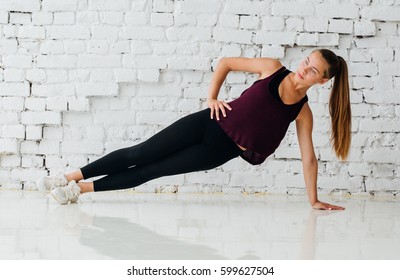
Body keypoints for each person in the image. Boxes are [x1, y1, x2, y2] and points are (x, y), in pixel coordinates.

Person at [37, 49, 351, 210]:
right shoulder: (271, 67)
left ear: (322, 81)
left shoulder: (302, 112)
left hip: (218, 151)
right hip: (207, 122)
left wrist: (313, 199)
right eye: (307, 60)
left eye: (313, 70)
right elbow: (226, 62)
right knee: (141, 152)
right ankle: (69, 177)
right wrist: (212, 97)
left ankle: (78, 191)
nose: (304, 68)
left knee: (152, 171)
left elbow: (308, 158)